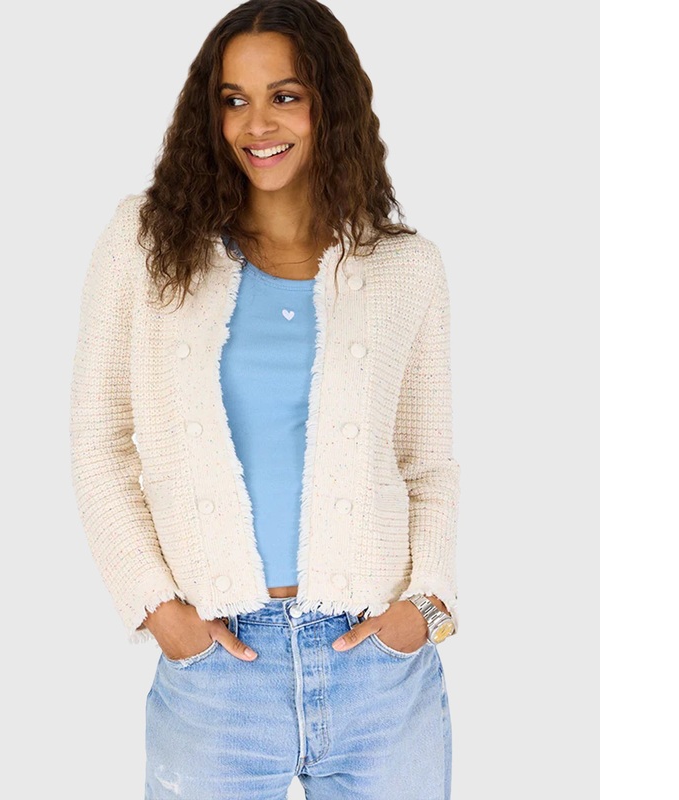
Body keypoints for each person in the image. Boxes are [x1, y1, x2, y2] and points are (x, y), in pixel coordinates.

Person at [70, 1, 461, 797]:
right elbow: (98, 439)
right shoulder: (146, 242)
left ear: (329, 106)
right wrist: (158, 609)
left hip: (380, 672)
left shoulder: (406, 267)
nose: (257, 124)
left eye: (285, 96)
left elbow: (426, 462)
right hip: (218, 674)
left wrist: (425, 606)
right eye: (234, 99)